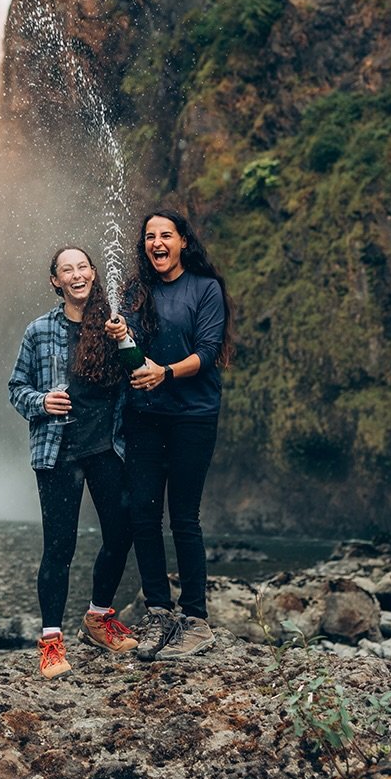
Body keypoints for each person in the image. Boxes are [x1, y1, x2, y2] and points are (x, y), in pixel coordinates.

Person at [105, 209, 232, 662]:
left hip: (192, 416)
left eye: (166, 235)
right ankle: (158, 609)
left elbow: (208, 352)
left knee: (183, 518)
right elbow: (133, 359)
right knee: (143, 515)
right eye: (149, 237)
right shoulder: (136, 293)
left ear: (182, 242)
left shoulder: (205, 289)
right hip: (144, 414)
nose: (156, 243)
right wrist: (120, 337)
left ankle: (195, 620)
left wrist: (167, 373)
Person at [9, 245, 139, 679]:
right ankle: (50, 642)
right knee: (59, 548)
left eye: (83, 266)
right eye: (67, 269)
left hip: (106, 448)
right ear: (56, 281)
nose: (77, 274)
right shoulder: (39, 330)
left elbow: (139, 375)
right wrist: (42, 401)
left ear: (94, 272)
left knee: (122, 533)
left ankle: (98, 618)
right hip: (59, 452)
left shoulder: (114, 323)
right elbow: (16, 388)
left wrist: (123, 338)